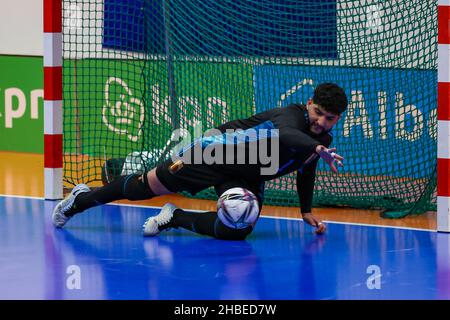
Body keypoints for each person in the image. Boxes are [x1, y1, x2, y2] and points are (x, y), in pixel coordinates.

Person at [53, 83, 348, 240]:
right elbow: (286, 136)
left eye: (329, 118)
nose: (321, 121)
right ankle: (80, 200)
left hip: (248, 175)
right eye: (318, 112)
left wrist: (306, 210)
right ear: (309, 103)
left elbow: (306, 169)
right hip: (214, 154)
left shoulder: (320, 143)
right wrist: (317, 147)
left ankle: (174, 218)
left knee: (238, 228)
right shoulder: (291, 116)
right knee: (147, 186)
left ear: (338, 119)